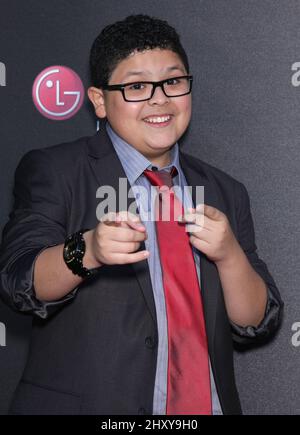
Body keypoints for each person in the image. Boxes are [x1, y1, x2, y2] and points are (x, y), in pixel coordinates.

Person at [0, 14, 283, 415]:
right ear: (99, 100)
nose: (159, 99)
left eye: (173, 82)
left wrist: (229, 255)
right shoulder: (56, 171)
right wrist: (89, 250)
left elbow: (256, 320)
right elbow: (17, 280)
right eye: (136, 86)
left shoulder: (225, 189)